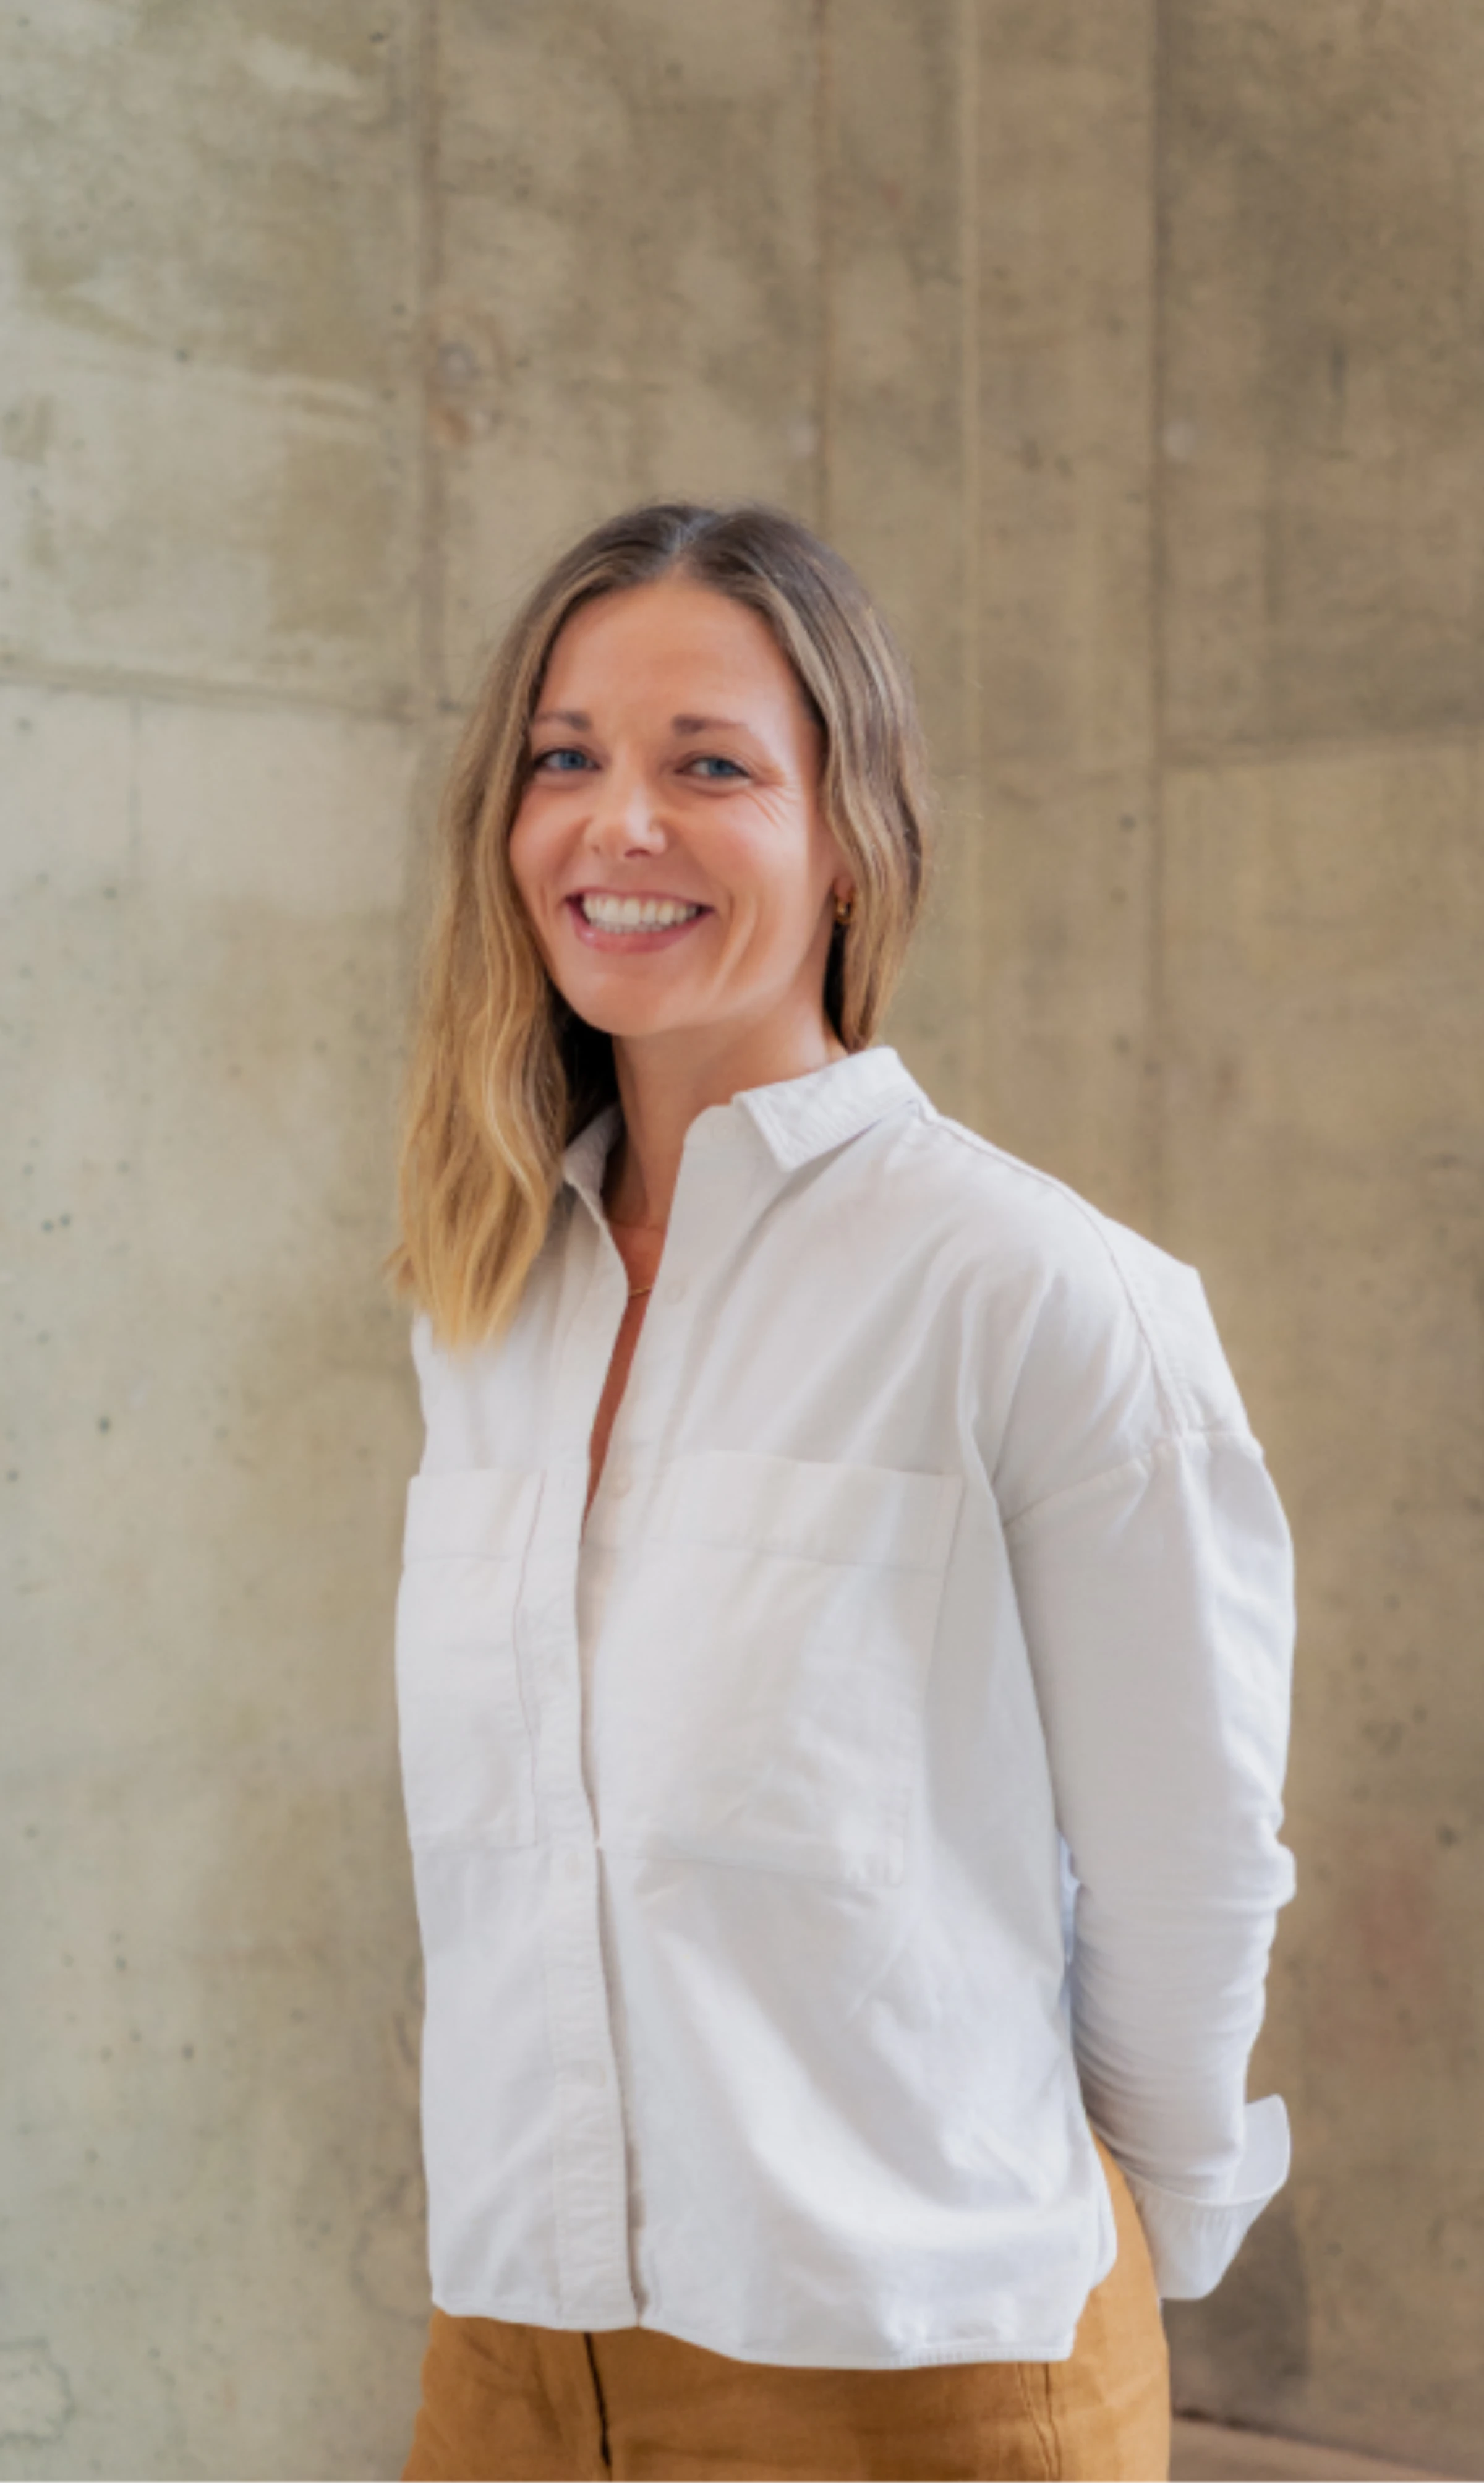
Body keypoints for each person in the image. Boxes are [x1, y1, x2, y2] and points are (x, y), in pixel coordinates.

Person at [388, 500, 1295, 2482]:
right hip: (514, 2357)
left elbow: (1188, 1874)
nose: (618, 822)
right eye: (567, 759)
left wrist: (1112, 2252)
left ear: (850, 837)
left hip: (911, 2366)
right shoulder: (483, 1302)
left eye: (707, 763)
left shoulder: (1035, 1294)